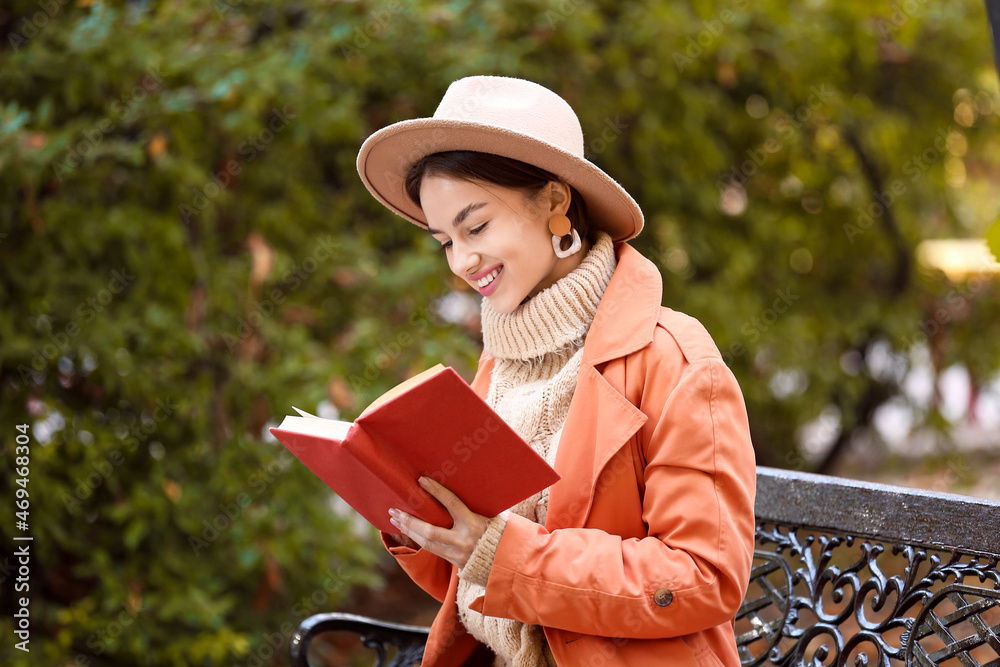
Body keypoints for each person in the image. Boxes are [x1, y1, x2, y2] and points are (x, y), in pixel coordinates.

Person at [355, 75, 757, 667]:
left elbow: (702, 579)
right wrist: (415, 520)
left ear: (554, 201)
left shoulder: (674, 358)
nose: (463, 262)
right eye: (444, 240)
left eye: (477, 226)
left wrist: (501, 553)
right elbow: (480, 587)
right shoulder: (502, 360)